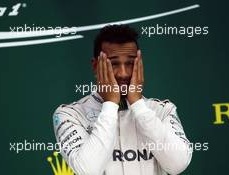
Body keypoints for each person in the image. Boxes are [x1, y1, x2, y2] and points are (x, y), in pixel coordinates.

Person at [53, 25, 192, 175]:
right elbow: (88, 170)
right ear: (95, 66)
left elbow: (177, 164)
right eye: (114, 64)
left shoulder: (163, 110)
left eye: (130, 63)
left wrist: (138, 105)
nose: (123, 73)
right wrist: (110, 105)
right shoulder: (70, 114)